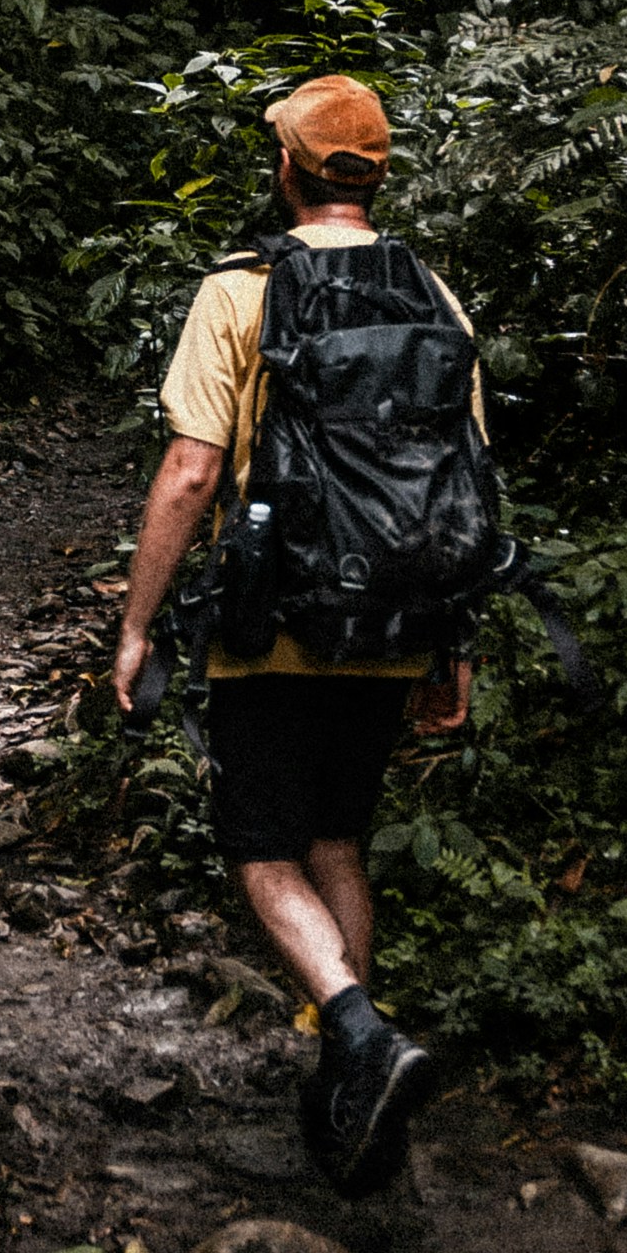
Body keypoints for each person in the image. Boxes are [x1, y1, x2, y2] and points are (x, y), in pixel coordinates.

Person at [112, 73, 479, 1194]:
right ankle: (345, 1089)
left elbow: (190, 470)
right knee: (336, 841)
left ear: (284, 167)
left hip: (269, 624)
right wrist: (448, 644)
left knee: (261, 849)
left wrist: (137, 625)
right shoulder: (434, 296)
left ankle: (359, 1035)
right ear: (375, 171)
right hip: (391, 623)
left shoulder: (240, 293)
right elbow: (461, 487)